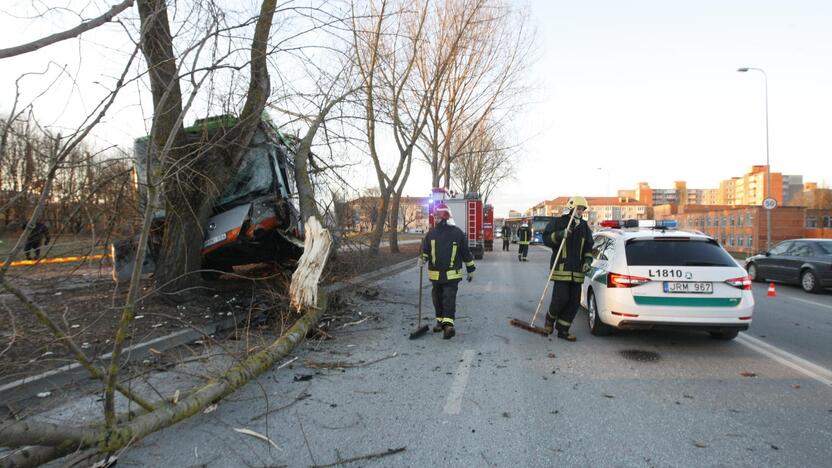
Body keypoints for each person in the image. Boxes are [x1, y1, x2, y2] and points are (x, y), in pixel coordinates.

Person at [419, 202, 476, 339]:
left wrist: (471, 269)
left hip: (450, 275)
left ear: (445, 217)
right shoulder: (431, 233)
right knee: (437, 299)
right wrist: (422, 258)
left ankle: (448, 326)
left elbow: (465, 253)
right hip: (437, 275)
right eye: (435, 217)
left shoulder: (457, 233)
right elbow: (425, 250)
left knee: (448, 299)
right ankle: (440, 321)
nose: (436, 219)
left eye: (438, 217)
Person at [542, 197, 593, 341]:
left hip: (577, 270)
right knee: (561, 299)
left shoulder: (584, 227)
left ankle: (563, 330)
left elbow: (589, 246)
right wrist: (559, 235)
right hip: (562, 268)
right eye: (578, 208)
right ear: (571, 208)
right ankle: (549, 319)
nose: (580, 211)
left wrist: (587, 261)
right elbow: (546, 239)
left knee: (574, 302)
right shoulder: (559, 222)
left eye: (582, 209)